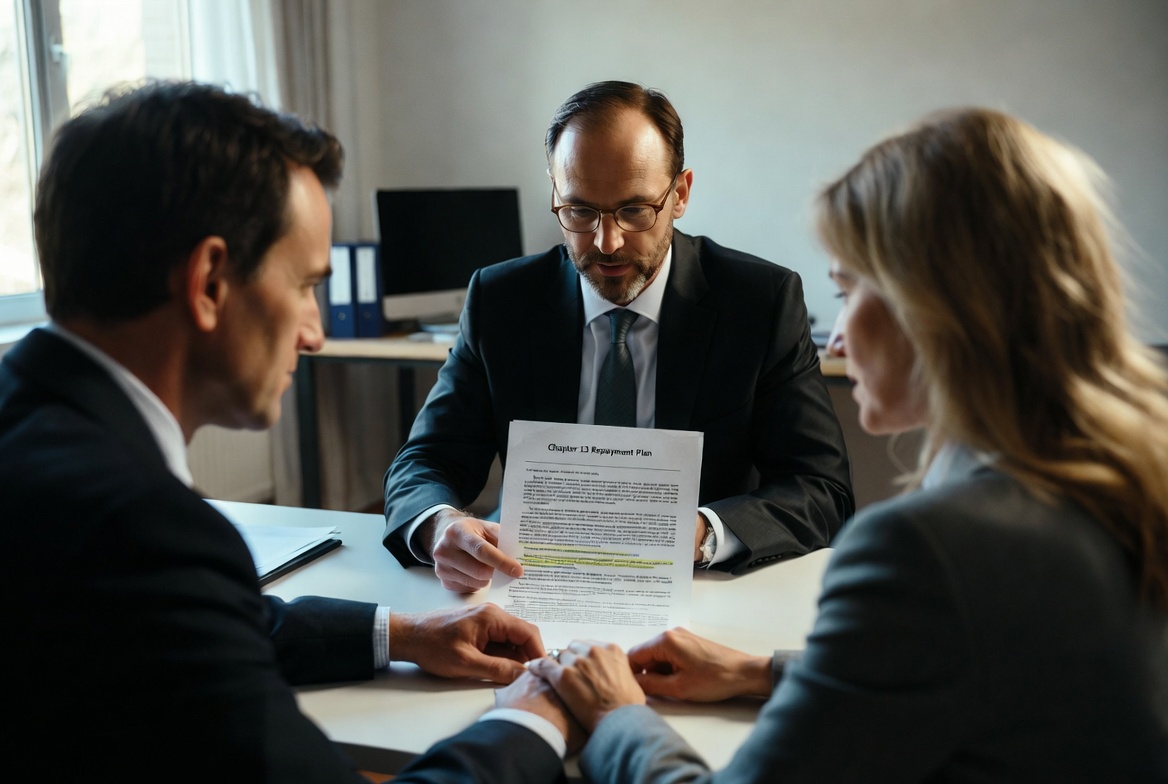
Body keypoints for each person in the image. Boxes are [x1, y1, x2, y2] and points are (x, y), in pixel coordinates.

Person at [510, 108, 1168, 780]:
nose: (840, 340)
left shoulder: (927, 549)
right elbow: (1007, 659)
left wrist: (619, 713)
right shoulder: (1118, 481)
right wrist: (760, 671)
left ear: (936, 309)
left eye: (848, 291)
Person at [1, 81, 571, 782]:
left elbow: (205, 626)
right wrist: (532, 718)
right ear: (210, 280)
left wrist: (408, 633)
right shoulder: (138, 530)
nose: (317, 334)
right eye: (305, 285)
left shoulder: (29, 426)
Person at [383, 81, 854, 592]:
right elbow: (426, 459)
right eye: (580, 211)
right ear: (555, 194)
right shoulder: (502, 300)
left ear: (680, 195)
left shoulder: (760, 302)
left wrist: (701, 533)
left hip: (698, 589)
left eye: (634, 210)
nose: (607, 243)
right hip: (529, 577)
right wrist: (438, 526)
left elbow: (821, 487)